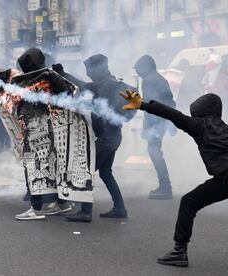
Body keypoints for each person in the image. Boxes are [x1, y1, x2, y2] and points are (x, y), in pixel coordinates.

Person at [120, 90, 228, 267]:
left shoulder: (198, 125)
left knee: (189, 202)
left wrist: (142, 105)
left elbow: (174, 115)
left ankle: (179, 251)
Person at [55, 54, 137, 222]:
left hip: (107, 139)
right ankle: (120, 208)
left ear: (98, 69)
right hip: (112, 138)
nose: (88, 73)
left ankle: (85, 211)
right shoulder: (109, 84)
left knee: (86, 171)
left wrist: (63, 74)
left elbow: (83, 86)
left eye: (89, 69)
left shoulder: (105, 85)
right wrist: (63, 74)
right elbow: (85, 87)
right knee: (106, 173)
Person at [12, 48, 73, 220]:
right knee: (54, 168)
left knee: (34, 168)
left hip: (37, 132)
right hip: (54, 130)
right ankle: (62, 203)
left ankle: (36, 208)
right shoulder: (52, 77)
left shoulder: (30, 81)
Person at [133, 55, 176, 200]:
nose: (137, 72)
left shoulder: (149, 81)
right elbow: (169, 101)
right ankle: (164, 186)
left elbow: (151, 105)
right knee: (155, 152)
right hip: (161, 121)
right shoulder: (159, 79)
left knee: (155, 152)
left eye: (138, 69)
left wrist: (148, 127)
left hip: (157, 123)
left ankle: (165, 187)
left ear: (146, 67)